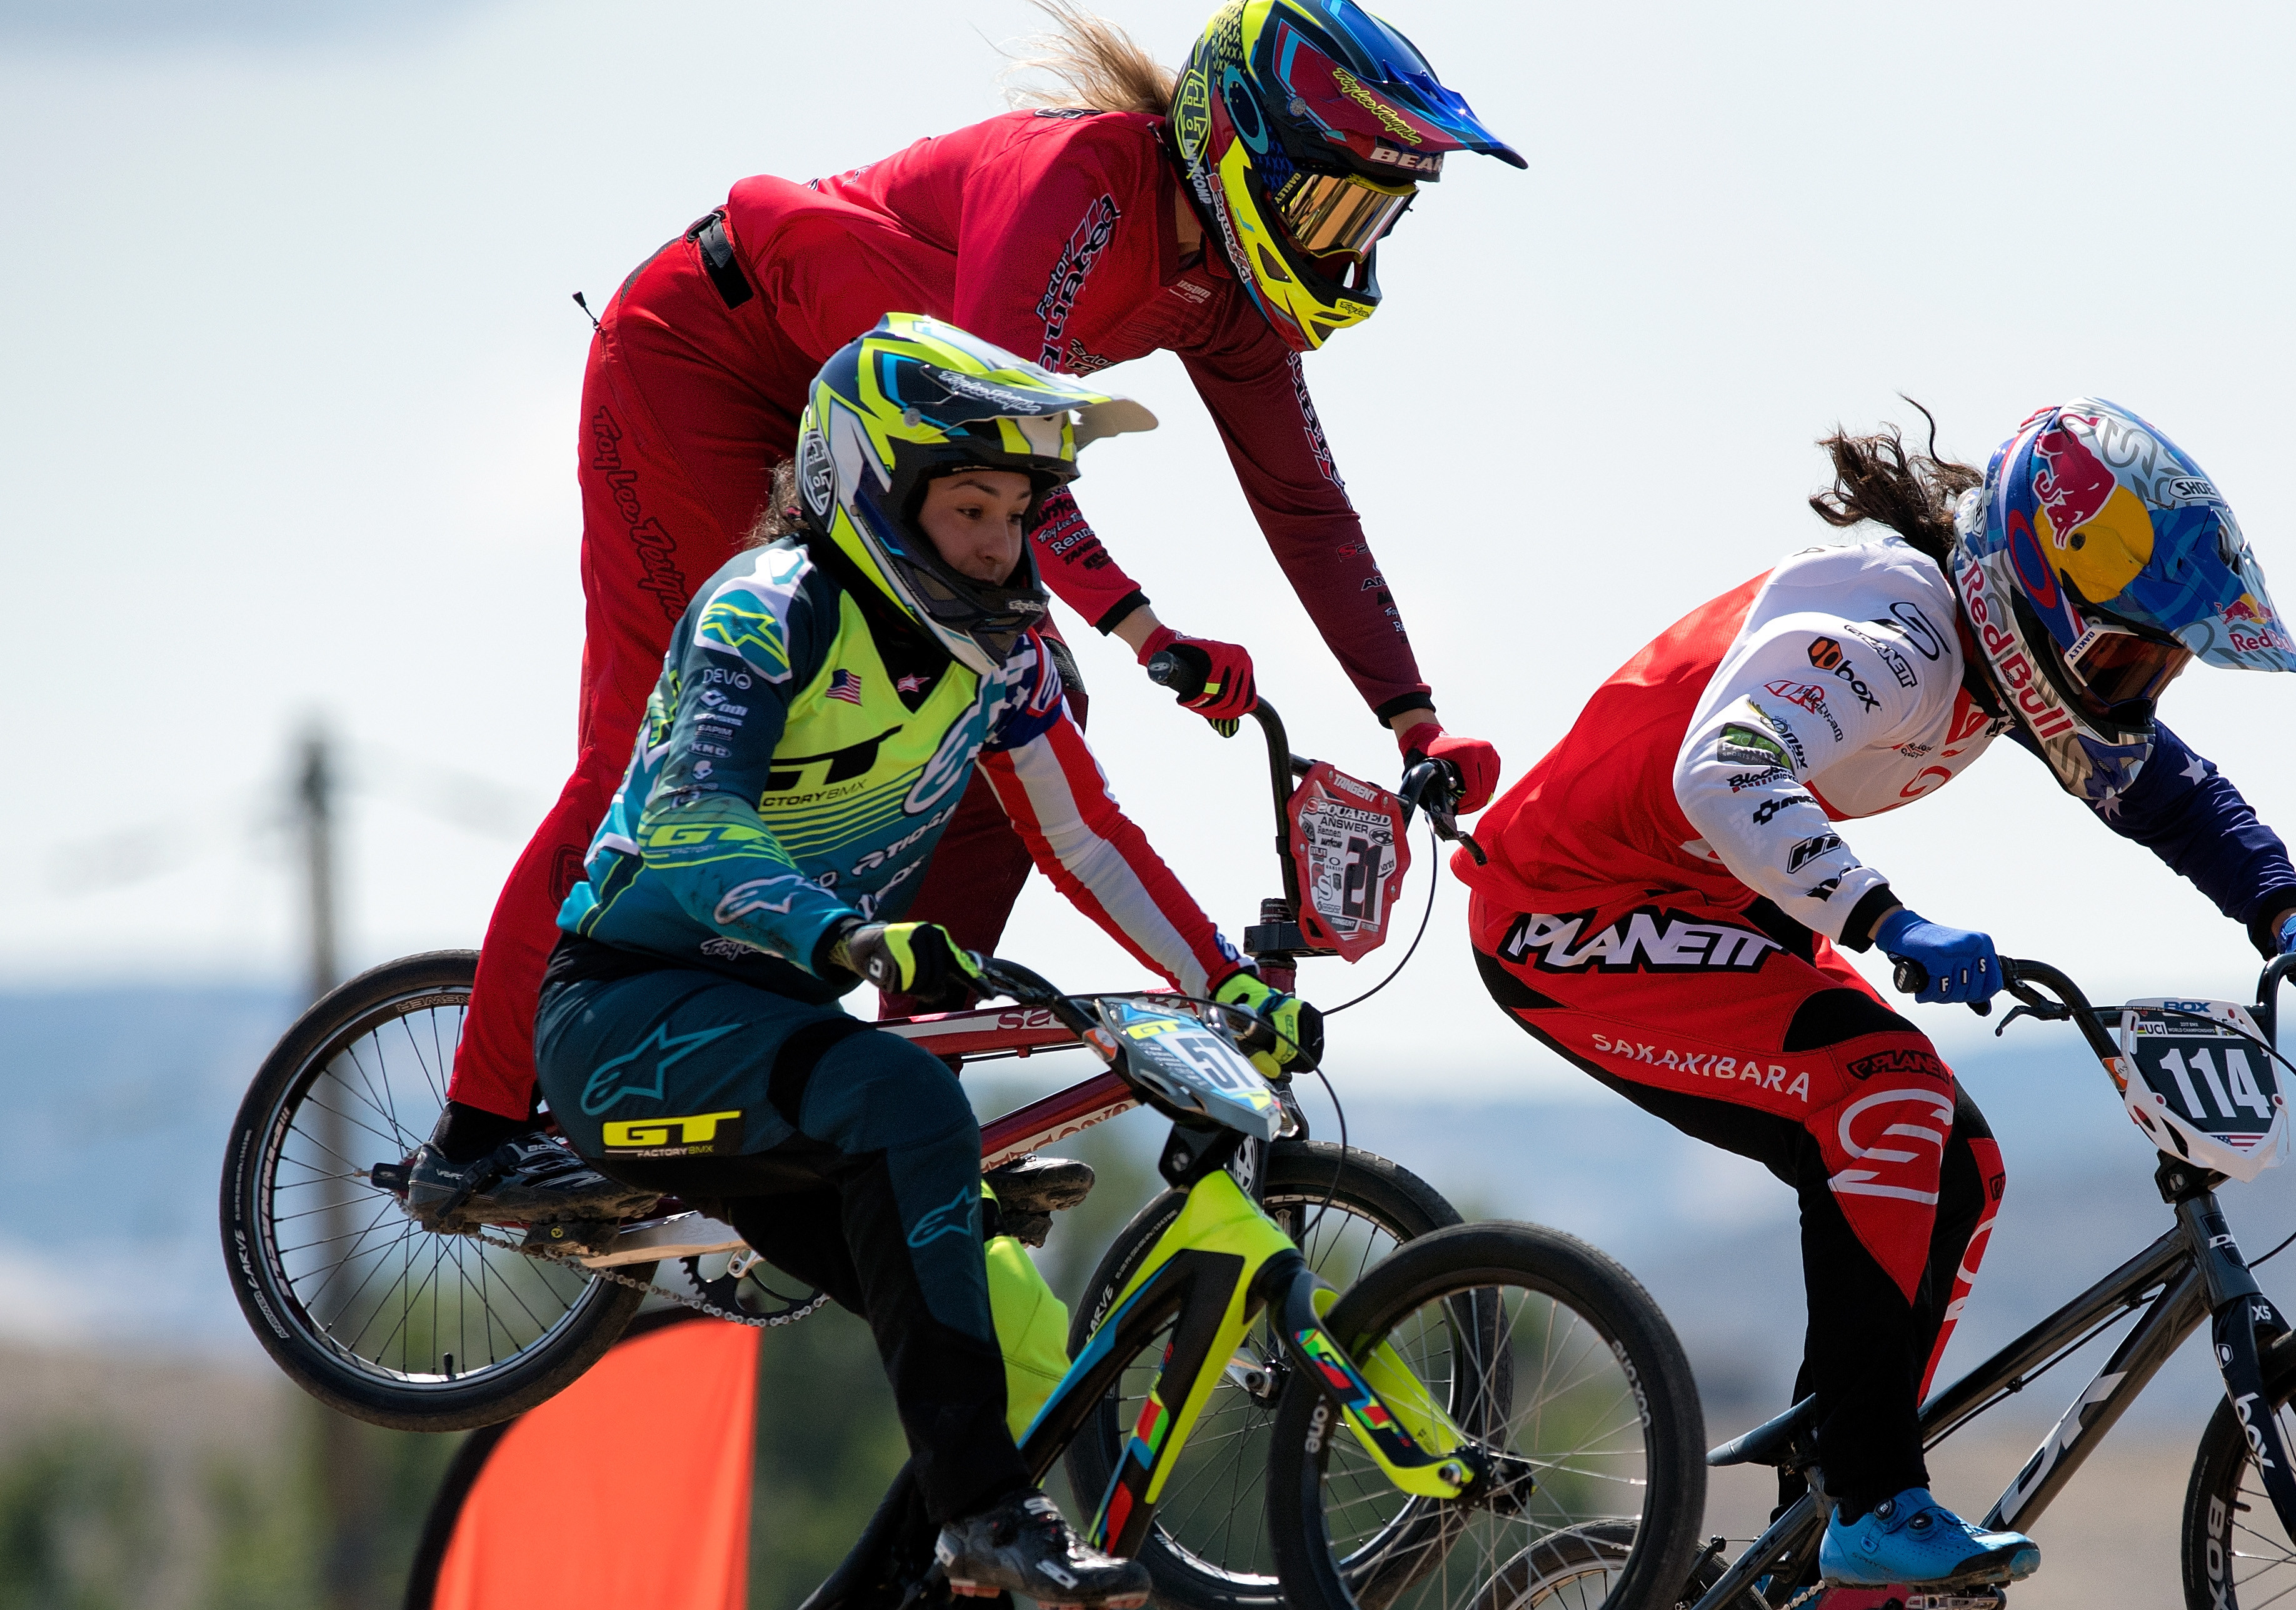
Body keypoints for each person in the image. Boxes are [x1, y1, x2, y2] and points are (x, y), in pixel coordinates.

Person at [411, 0, 1517, 1223]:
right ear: (1234, 144)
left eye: (1374, 217)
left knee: (1012, 726)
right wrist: (1144, 626)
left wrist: (1415, 720)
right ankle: (478, 1131)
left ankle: (894, 1087)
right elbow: (995, 439)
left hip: (885, 449)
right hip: (712, 369)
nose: (1346, 244)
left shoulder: (1231, 307)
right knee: (648, 753)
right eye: (1329, 203)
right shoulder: (1081, 182)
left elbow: (1308, 509)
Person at [1460, 398, 2296, 1593]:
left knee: (1962, 1162)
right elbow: (1722, 768)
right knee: (1883, 1101)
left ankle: (1820, 1517)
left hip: (1703, 901)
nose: (2129, 696)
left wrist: (2285, 908)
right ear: (2035, 599)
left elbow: (2171, 796)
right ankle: (1874, 1495)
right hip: (1566, 910)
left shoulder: (2008, 664)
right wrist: (1886, 919)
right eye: (2119, 658)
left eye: (2157, 672)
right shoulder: (1895, 637)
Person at [531, 314, 1321, 1609]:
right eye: (968, 508)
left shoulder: (999, 662)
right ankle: (980, 1521)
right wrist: (835, 932)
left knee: (1004, 1310)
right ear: (870, 486)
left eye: (1016, 515)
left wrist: (1222, 981)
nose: (1000, 547)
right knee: (914, 1105)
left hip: (784, 1057)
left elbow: (1085, 835)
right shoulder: (764, 612)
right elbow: (689, 820)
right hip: (632, 1019)